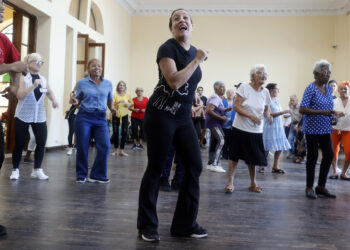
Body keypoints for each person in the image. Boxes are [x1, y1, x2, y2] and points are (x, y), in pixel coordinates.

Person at [137, 8, 209, 242]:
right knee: (156, 169)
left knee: (195, 166)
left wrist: (194, 98)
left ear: (192, 25)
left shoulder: (192, 53)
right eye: (176, 18)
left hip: (182, 117)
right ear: (171, 27)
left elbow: (189, 84)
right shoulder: (167, 48)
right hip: (160, 115)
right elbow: (175, 81)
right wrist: (198, 59)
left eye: (186, 17)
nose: (182, 20)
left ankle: (184, 224)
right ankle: (147, 225)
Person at [0, 0, 28, 235]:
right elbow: (14, 64)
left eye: (2, 4)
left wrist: (13, 86)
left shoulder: (3, 40)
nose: (1, 7)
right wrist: (11, 66)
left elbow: (19, 66)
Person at [299, 59, 344, 199]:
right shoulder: (310, 88)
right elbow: (302, 109)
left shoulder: (329, 89)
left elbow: (329, 109)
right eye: (325, 72)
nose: (328, 75)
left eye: (329, 72)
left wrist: (332, 118)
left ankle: (321, 186)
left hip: (325, 128)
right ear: (317, 74)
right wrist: (322, 113)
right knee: (312, 158)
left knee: (329, 154)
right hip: (312, 129)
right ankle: (309, 187)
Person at [225, 64, 272, 194]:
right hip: (240, 128)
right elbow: (236, 106)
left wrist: (268, 115)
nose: (264, 76)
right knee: (234, 156)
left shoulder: (266, 92)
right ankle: (230, 182)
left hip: (256, 130)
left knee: (253, 158)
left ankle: (253, 183)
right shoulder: (244, 88)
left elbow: (267, 108)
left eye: (265, 74)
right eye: (260, 73)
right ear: (253, 76)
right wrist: (251, 116)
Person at [10, 53, 58, 180]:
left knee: (41, 141)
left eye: (41, 61)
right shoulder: (23, 77)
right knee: (20, 143)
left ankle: (37, 170)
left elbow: (49, 91)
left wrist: (54, 100)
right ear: (28, 63)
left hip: (39, 115)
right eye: (36, 61)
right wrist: (32, 86)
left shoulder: (43, 78)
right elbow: (19, 96)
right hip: (23, 115)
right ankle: (15, 170)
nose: (39, 63)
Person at [72, 58, 115, 183]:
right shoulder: (82, 83)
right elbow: (77, 99)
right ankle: (81, 174)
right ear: (88, 68)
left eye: (100, 66)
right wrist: (75, 101)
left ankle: (97, 175)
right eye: (94, 66)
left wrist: (112, 109)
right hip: (84, 116)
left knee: (105, 146)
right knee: (82, 146)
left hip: (101, 117)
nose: (97, 68)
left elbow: (110, 98)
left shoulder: (108, 83)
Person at [260, 83, 290, 174]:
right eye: (277, 89)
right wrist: (283, 112)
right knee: (266, 146)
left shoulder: (277, 101)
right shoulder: (267, 101)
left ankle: (275, 166)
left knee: (280, 146)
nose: (278, 91)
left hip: (278, 126)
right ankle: (262, 165)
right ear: (271, 90)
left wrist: (285, 114)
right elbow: (270, 114)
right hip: (270, 126)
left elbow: (276, 113)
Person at [205, 81, 232, 172]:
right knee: (221, 140)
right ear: (216, 88)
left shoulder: (216, 98)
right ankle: (214, 163)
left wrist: (226, 109)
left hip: (214, 123)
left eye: (224, 87)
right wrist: (221, 117)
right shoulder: (215, 98)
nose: (224, 89)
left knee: (214, 142)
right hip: (214, 123)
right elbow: (208, 110)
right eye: (221, 87)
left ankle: (210, 163)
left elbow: (215, 109)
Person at [329, 81, 350, 180]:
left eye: (345, 88)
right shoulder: (334, 101)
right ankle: (334, 172)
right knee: (334, 151)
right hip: (335, 129)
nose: (343, 90)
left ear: (349, 90)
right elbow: (329, 113)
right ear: (338, 90)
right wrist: (335, 113)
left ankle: (344, 173)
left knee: (349, 152)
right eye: (341, 88)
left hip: (348, 130)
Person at [111, 81, 133, 156]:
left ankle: (121, 151)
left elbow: (132, 104)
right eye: (120, 85)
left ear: (125, 87)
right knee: (116, 132)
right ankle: (116, 150)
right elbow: (111, 104)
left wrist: (128, 104)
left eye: (123, 85)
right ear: (118, 86)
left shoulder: (128, 95)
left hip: (125, 115)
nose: (121, 86)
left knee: (125, 132)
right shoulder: (115, 95)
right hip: (116, 115)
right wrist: (118, 102)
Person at [286, 95, 302, 159]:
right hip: (293, 125)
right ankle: (291, 153)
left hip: (299, 125)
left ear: (297, 100)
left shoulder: (300, 107)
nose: (291, 102)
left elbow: (302, 117)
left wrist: (297, 125)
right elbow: (293, 117)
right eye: (290, 100)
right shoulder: (291, 107)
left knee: (299, 141)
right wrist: (291, 123)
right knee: (289, 139)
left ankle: (299, 155)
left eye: (293, 100)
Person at [222, 88, 236, 160]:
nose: (230, 94)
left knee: (232, 142)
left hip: (233, 125)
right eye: (228, 93)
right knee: (224, 141)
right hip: (224, 125)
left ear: (234, 94)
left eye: (231, 93)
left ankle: (231, 155)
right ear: (226, 94)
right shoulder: (223, 101)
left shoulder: (236, 102)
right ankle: (224, 155)